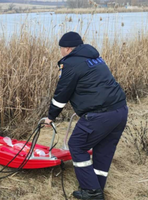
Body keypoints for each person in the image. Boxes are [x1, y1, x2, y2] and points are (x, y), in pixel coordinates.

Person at [44, 32, 128, 200]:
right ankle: (97, 187)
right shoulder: (94, 57)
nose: (60, 51)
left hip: (100, 115)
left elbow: (62, 95)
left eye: (61, 48)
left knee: (76, 145)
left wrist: (50, 117)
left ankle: (91, 192)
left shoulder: (71, 64)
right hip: (120, 111)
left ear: (67, 48)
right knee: (103, 150)